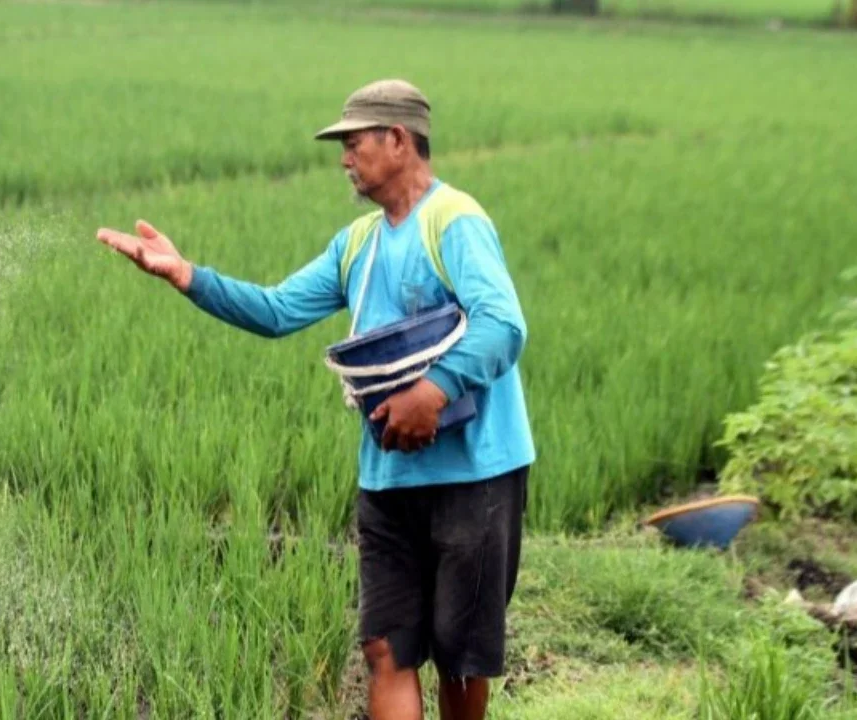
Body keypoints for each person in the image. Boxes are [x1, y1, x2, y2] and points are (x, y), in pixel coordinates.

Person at [96, 78, 535, 720]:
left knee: (459, 656)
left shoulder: (455, 222)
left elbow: (504, 324)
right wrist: (187, 276)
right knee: (386, 646)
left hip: (475, 474)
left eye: (354, 143)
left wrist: (434, 391)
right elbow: (276, 310)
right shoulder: (356, 243)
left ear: (398, 139)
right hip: (387, 475)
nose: (344, 158)